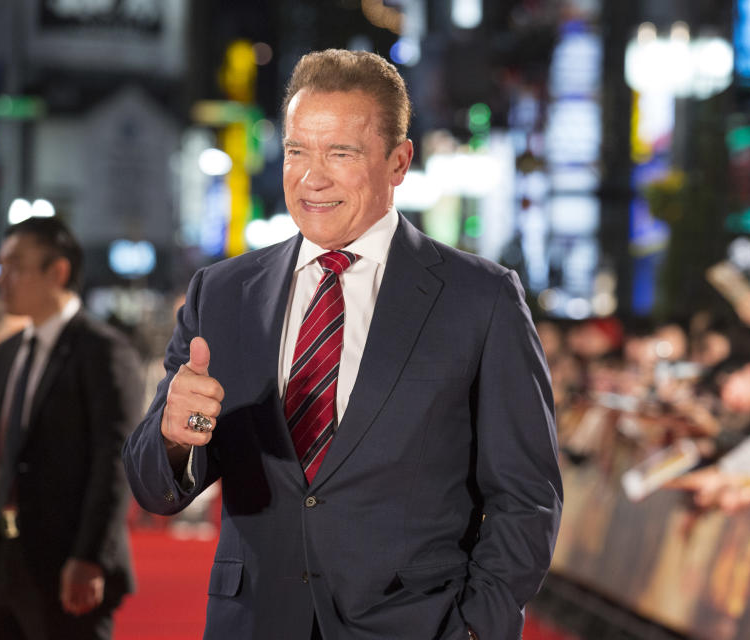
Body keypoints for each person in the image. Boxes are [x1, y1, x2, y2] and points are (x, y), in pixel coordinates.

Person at [123, 49, 562, 640]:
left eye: (341, 153)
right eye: (297, 151)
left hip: (415, 625)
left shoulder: (479, 298)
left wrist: (477, 627)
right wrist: (175, 439)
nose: (312, 177)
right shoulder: (223, 294)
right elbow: (154, 486)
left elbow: (525, 496)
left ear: (399, 161)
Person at [0, 217, 142, 639]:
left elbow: (115, 462)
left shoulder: (104, 351)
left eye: (14, 266)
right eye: (0, 266)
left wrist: (90, 556)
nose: (1, 279)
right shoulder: (3, 356)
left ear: (57, 271)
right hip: (1, 559)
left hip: (67, 565)